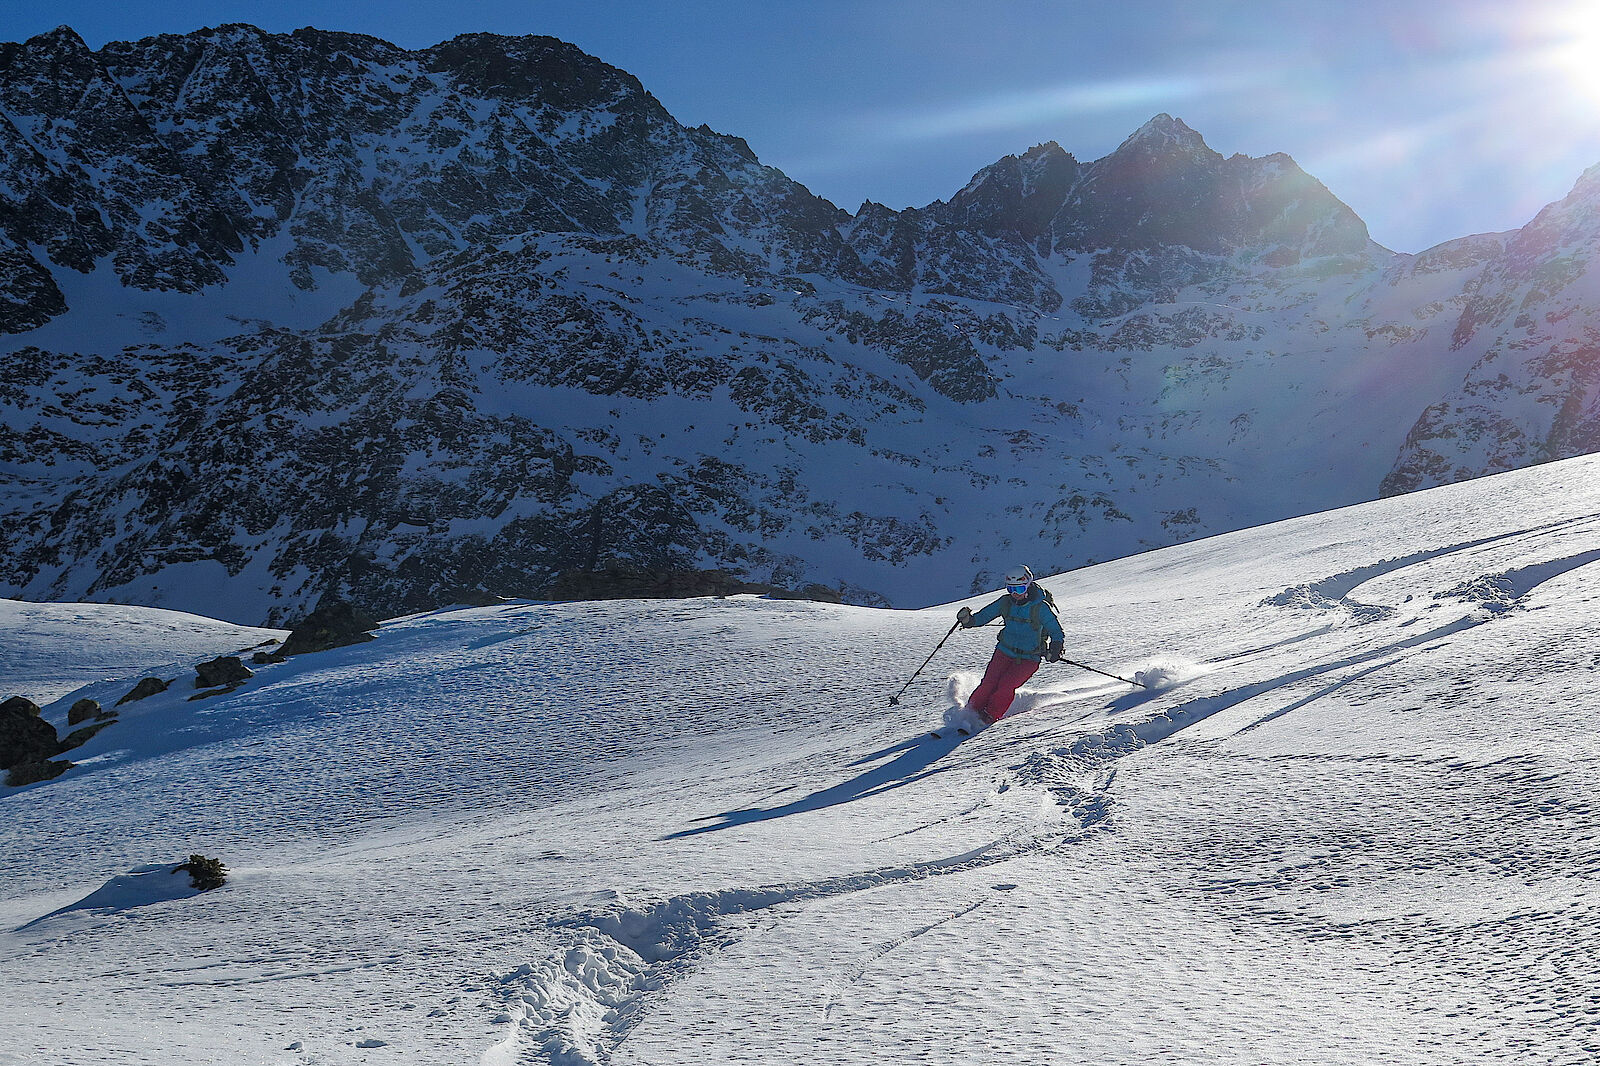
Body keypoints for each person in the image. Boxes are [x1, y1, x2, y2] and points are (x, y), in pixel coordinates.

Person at [956, 564, 1065, 724]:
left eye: (1020, 589)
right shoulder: (1005, 602)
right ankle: (969, 713)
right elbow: (983, 616)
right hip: (1004, 651)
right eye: (1011, 589)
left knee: (1006, 686)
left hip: (1029, 657)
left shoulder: (1040, 608)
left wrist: (1055, 648)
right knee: (988, 683)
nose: (1015, 594)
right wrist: (969, 620)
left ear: (1028, 586)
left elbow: (1056, 631)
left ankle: (988, 717)